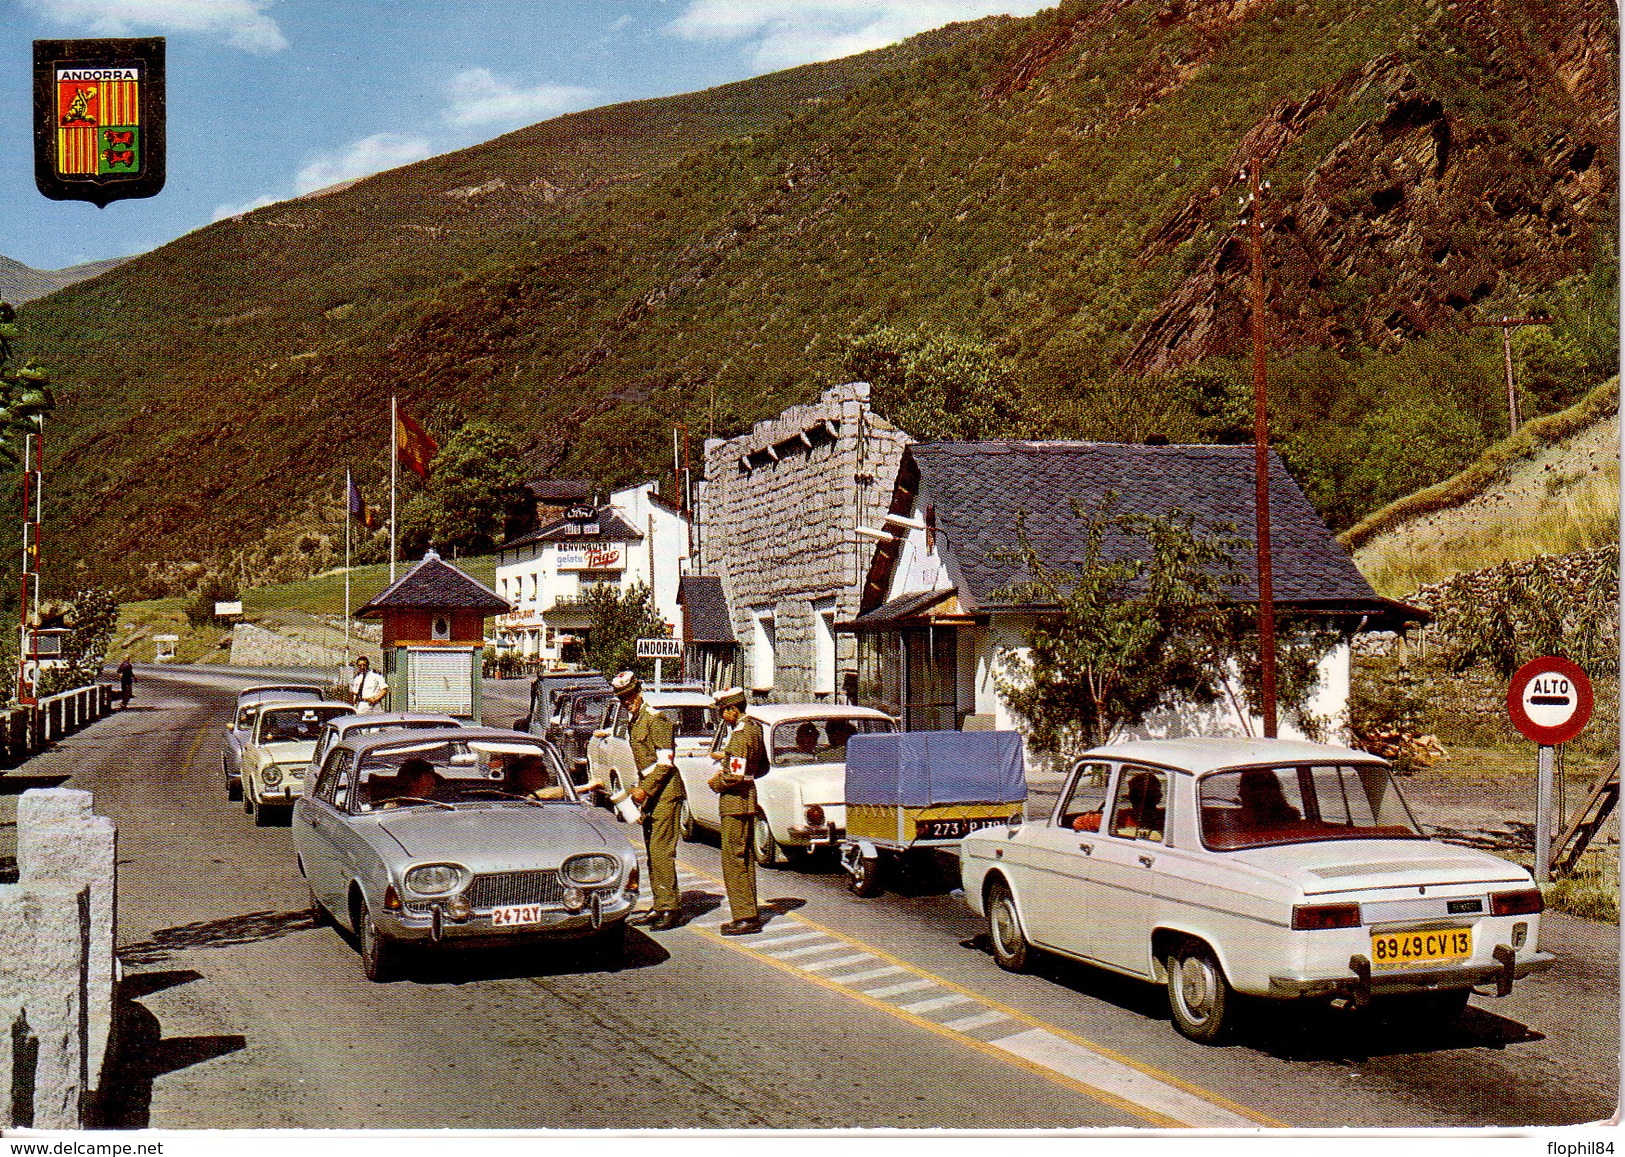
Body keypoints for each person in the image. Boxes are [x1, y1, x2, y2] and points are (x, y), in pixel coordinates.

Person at [615, 671, 685, 931]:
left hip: (665, 792)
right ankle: (660, 904)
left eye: (629, 695)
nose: (626, 701)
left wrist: (645, 789)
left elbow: (666, 762)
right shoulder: (635, 720)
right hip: (651, 793)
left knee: (661, 851)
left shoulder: (656, 719)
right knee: (652, 854)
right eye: (622, 697)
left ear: (639, 691)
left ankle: (671, 908)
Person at [708, 686, 766, 935]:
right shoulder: (754, 729)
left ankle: (744, 916)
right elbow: (761, 766)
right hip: (748, 798)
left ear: (733, 708)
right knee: (744, 858)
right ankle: (749, 911)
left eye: (724, 711)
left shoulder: (740, 735)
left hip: (734, 802)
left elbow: (734, 774)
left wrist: (716, 782)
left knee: (734, 860)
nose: (722, 716)